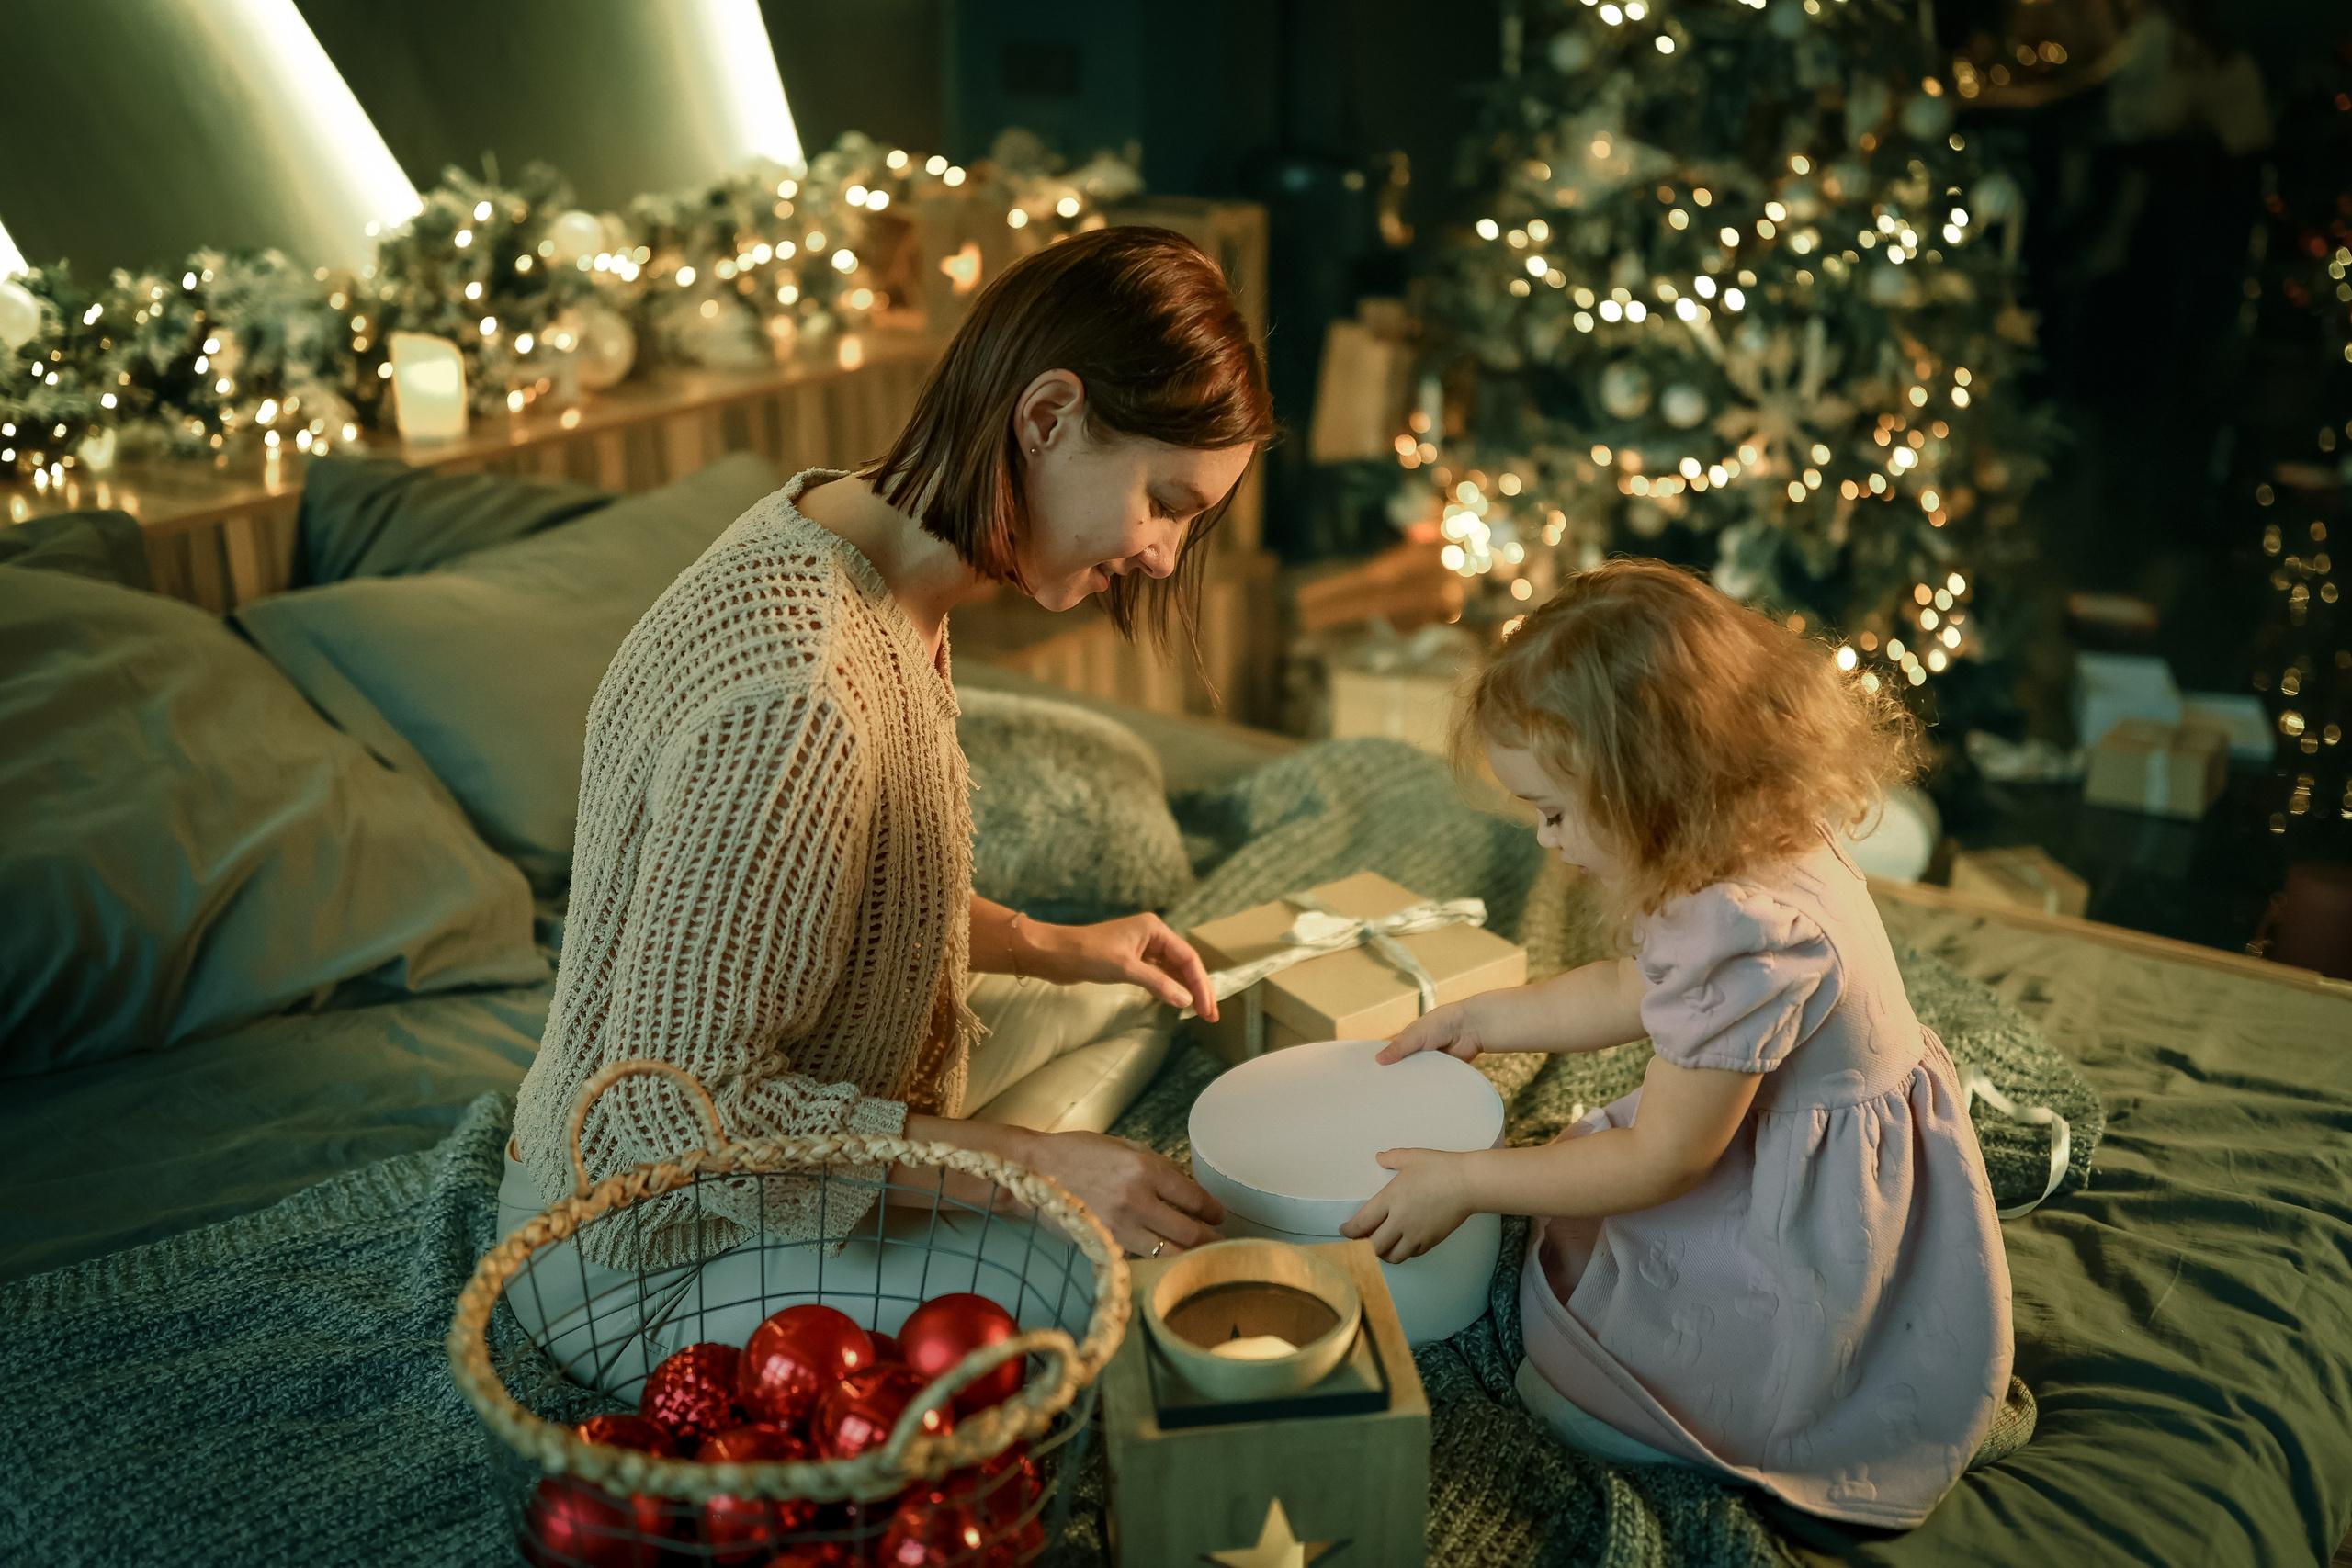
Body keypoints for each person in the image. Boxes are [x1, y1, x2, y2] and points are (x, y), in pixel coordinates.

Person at [503, 227, 1272, 1390]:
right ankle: (1030, 1210)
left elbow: (825, 899)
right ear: (1047, 415)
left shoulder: (853, 539)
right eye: (1163, 502)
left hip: (768, 1147)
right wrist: (1031, 1167)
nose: (1165, 558)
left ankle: (1021, 1180)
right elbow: (682, 1119)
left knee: (1138, 1005)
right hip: (640, 1247)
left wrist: (1054, 947)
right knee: (1096, 1299)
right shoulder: (800, 686)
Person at [1340, 560, 2012, 1529]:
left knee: (1578, 1390)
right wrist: (1491, 1017)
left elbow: (1662, 1160)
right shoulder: (1748, 824)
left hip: (1806, 1222)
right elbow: (1633, 986)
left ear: (1650, 788)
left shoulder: (1741, 926)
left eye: (1556, 812)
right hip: (1816, 1144)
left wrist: (1468, 1179)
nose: (1544, 841)